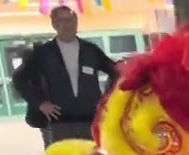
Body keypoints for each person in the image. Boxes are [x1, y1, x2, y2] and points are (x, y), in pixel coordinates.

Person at [11, 6, 118, 147]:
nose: (69, 24)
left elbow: (115, 71)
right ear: (54, 24)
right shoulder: (43, 53)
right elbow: (20, 79)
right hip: (59, 122)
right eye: (63, 20)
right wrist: (40, 103)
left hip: (91, 120)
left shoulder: (91, 50)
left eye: (72, 20)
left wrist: (108, 100)